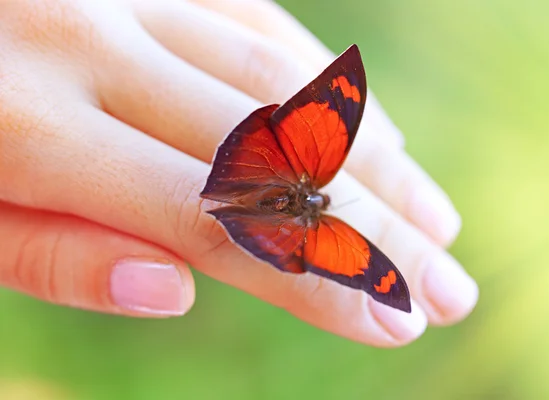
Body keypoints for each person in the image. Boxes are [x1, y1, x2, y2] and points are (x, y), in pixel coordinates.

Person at [0, 0, 478, 347]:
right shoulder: (322, 221)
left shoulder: (313, 175)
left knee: (261, 148)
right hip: (278, 217)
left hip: (266, 165)